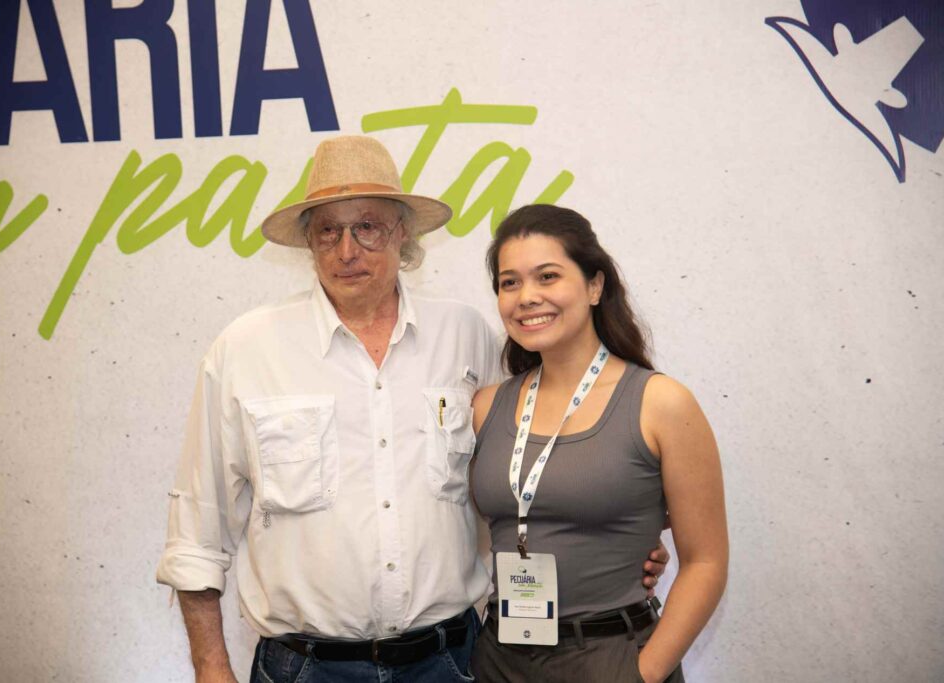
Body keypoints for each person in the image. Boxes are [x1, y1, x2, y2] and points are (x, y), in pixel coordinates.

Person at [156, 135, 669, 683]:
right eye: (328, 230)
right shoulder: (245, 349)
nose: (347, 250)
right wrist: (211, 667)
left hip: (450, 662)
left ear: (403, 232)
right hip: (302, 668)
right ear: (308, 241)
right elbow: (196, 532)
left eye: (367, 227)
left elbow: (530, 474)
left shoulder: (466, 335)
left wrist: (616, 544)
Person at [469, 204, 728, 682]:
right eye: (509, 282)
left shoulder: (660, 403)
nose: (527, 297)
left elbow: (706, 562)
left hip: (611, 657)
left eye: (547, 276)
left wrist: (641, 674)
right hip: (499, 658)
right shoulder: (487, 407)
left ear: (594, 286)